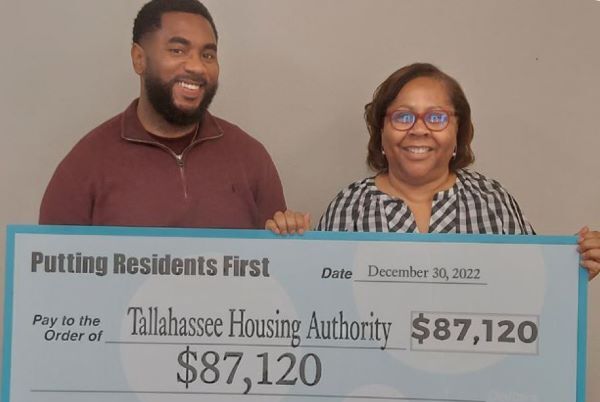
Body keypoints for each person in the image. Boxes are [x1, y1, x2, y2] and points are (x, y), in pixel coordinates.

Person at [39, 0, 307, 232]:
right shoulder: (85, 165)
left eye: (208, 54)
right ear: (139, 59)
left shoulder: (250, 158)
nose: (196, 66)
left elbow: (275, 277)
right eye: (177, 50)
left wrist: (289, 237)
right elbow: (51, 278)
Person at [317, 63, 600, 280]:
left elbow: (533, 289)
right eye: (402, 116)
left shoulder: (493, 202)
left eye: (436, 117)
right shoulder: (349, 207)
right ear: (381, 132)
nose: (418, 129)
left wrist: (575, 268)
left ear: (458, 132)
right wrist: (286, 242)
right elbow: (317, 299)